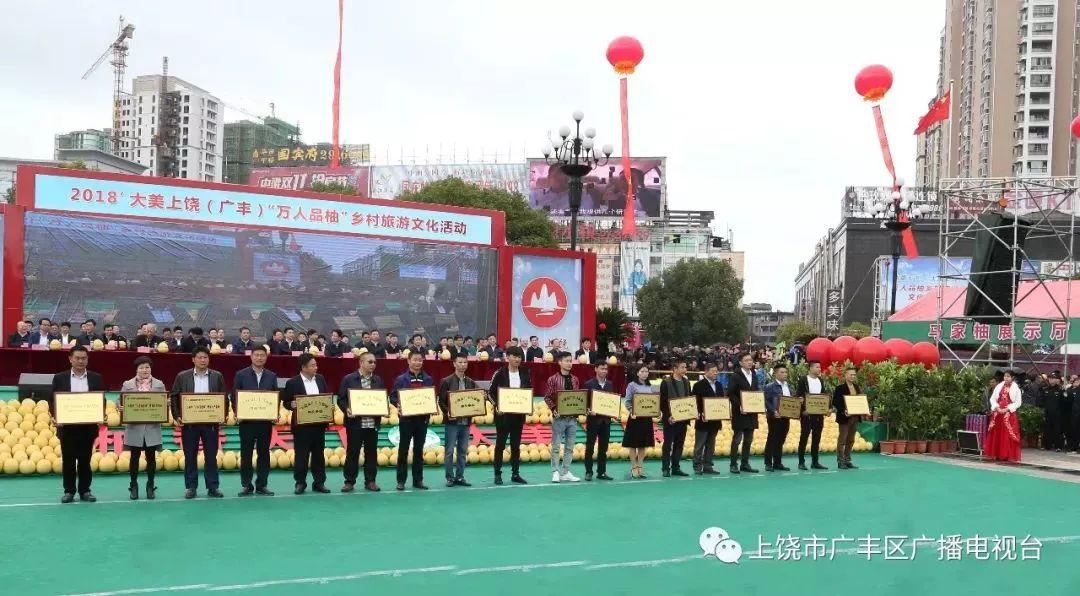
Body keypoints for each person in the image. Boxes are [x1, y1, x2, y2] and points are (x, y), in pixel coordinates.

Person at [171, 346, 227, 498]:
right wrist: (177, 416)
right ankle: (191, 487)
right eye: (200, 357)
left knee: (211, 456)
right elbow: (174, 396)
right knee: (190, 456)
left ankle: (213, 487)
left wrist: (223, 415)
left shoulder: (217, 376)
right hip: (189, 424)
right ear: (193, 359)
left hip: (210, 424)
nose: (203, 360)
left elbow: (223, 397)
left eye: (205, 357)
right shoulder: (183, 376)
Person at [50, 346, 104, 503]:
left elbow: (101, 400)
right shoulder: (60, 378)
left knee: (85, 461)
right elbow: (52, 400)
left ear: (87, 359)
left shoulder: (96, 378)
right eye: (78, 358)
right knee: (68, 460)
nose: (81, 361)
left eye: (84, 358)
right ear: (70, 359)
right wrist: (55, 416)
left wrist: (101, 413)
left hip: (88, 427)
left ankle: (85, 490)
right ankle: (69, 491)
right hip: (67, 428)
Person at [232, 345, 278, 496]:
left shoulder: (271, 376)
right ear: (251, 357)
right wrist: (238, 413)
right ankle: (246, 485)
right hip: (247, 423)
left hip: (265, 423)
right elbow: (234, 397)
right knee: (246, 454)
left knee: (264, 454)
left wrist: (274, 413)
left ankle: (262, 485)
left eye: (262, 355)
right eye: (256, 355)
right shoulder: (241, 375)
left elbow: (274, 398)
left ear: (266, 357)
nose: (259, 358)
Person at [282, 353, 331, 494]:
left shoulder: (320, 379)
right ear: (303, 367)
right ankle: (300, 482)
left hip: (319, 424)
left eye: (316, 364)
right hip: (302, 426)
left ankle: (319, 482)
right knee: (301, 456)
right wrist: (291, 404)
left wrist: (328, 408)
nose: (316, 367)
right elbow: (285, 402)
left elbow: (325, 397)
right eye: (313, 365)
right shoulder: (293, 382)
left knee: (318, 455)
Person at [119, 356, 166, 499]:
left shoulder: (159, 384)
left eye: (147, 367)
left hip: (152, 428)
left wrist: (165, 404)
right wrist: (120, 406)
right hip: (134, 428)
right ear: (136, 369)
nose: (144, 370)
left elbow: (163, 400)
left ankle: (150, 485)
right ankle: (133, 485)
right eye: (141, 367)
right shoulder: (128, 384)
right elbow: (119, 400)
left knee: (151, 458)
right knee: (134, 458)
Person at [338, 352, 384, 492]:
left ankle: (370, 481)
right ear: (361, 363)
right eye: (370, 362)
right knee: (353, 453)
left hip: (372, 424)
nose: (373, 365)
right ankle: (349, 481)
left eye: (374, 362)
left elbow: (381, 398)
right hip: (355, 424)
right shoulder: (349, 379)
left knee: (371, 454)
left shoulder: (377, 380)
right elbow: (341, 398)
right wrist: (347, 409)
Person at [390, 351, 434, 490]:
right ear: (408, 361)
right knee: (403, 450)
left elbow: (431, 398)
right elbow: (392, 396)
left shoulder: (428, 379)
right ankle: (401, 481)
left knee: (419, 450)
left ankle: (418, 480)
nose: (417, 363)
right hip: (406, 420)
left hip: (422, 420)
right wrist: (400, 404)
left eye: (420, 360)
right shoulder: (401, 379)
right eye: (415, 360)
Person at [489, 346, 530, 485]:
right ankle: (497, 474)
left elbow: (528, 391)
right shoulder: (500, 373)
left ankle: (515, 474)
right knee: (500, 445)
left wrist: (528, 405)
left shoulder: (524, 372)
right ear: (508, 357)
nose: (517, 359)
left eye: (519, 357)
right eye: (514, 356)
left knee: (516, 446)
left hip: (518, 416)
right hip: (503, 416)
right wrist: (497, 406)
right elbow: (490, 393)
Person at [438, 354, 476, 487]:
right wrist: (448, 412)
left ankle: (460, 476)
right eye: (460, 362)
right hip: (452, 423)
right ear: (454, 364)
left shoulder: (471, 382)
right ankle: (449, 477)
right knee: (449, 451)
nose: (463, 365)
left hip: (465, 423)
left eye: (465, 362)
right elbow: (441, 401)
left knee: (462, 450)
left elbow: (475, 401)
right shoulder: (446, 381)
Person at [544, 351, 581, 483]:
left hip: (572, 419)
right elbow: (547, 397)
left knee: (570, 447)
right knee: (556, 446)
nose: (569, 363)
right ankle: (555, 471)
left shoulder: (575, 379)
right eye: (566, 360)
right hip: (559, 419)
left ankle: (565, 472)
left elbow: (579, 398)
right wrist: (554, 409)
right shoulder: (553, 379)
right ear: (560, 362)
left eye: (570, 361)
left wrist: (580, 409)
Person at [727, 351, 760, 474]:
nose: (749, 362)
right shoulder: (735, 376)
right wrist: (739, 405)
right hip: (740, 413)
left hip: (751, 413)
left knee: (749, 439)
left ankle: (745, 464)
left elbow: (756, 392)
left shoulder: (754, 374)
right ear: (740, 363)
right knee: (737, 439)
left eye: (750, 360)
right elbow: (730, 393)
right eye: (746, 360)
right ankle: (733, 464)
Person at [582, 361, 615, 481]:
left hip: (606, 421)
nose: (604, 371)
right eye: (602, 369)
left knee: (603, 448)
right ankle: (588, 471)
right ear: (596, 369)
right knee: (590, 447)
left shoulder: (610, 384)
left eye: (606, 369)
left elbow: (612, 402)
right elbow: (584, 403)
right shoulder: (589, 384)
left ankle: (601, 472)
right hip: (593, 421)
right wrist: (588, 410)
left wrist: (614, 413)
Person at [659, 359, 692, 477]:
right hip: (670, 420)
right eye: (682, 367)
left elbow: (689, 400)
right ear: (675, 369)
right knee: (668, 444)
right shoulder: (666, 382)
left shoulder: (686, 382)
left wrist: (691, 413)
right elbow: (662, 402)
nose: (685, 369)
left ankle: (676, 467)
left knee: (679, 444)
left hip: (683, 419)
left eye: (685, 367)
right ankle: (665, 468)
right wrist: (668, 417)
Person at [623, 364, 657, 479]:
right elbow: (627, 402)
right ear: (637, 373)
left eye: (646, 371)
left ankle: (640, 466)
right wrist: (632, 411)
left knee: (643, 444)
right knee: (633, 444)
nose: (645, 373)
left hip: (646, 419)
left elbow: (654, 403)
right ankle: (633, 467)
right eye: (642, 371)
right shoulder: (631, 385)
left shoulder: (650, 386)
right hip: (635, 419)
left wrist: (656, 412)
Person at [795, 361, 828, 470]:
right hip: (807, 414)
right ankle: (801, 462)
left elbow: (824, 396)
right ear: (811, 368)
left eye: (820, 367)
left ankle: (815, 462)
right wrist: (802, 410)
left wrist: (827, 408)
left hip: (818, 415)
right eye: (817, 367)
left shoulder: (821, 380)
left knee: (816, 438)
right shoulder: (803, 380)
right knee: (804, 437)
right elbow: (798, 396)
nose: (819, 369)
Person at [692, 362, 723, 475]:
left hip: (715, 420)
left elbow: (722, 402)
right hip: (703, 421)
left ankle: (708, 466)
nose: (716, 373)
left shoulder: (719, 385)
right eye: (713, 371)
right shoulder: (698, 385)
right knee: (699, 445)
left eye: (716, 371)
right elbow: (694, 403)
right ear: (706, 371)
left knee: (711, 445)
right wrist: (700, 413)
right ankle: (697, 466)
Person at [985, 371, 1022, 463]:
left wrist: (1007, 409)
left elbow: (1018, 402)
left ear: (1012, 378)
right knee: (997, 433)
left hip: (1009, 414)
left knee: (1007, 434)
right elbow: (992, 399)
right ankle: (997, 453)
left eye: (1008, 376)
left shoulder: (1016, 388)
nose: (1006, 378)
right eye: (1005, 376)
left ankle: (1007, 455)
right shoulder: (999, 386)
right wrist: (996, 407)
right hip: (998, 413)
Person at [763, 363, 792, 472]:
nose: (785, 374)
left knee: (781, 439)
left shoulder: (788, 386)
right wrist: (773, 411)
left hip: (786, 416)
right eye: (782, 372)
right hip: (774, 417)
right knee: (772, 439)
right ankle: (768, 463)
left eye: (785, 372)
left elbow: (791, 400)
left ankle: (778, 462)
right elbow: (765, 400)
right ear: (775, 374)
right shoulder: (770, 386)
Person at [832, 367, 863, 470]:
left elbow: (860, 401)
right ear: (846, 376)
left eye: (854, 375)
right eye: (851, 374)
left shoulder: (857, 387)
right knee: (842, 439)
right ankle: (840, 461)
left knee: (851, 439)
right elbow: (835, 402)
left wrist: (864, 409)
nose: (853, 376)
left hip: (855, 417)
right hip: (844, 417)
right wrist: (843, 410)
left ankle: (847, 460)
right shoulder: (840, 388)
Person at [1040, 371, 1067, 451]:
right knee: (1047, 429)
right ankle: (1046, 445)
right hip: (1047, 412)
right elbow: (1042, 401)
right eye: (1050, 378)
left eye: (1054, 378)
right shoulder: (1045, 389)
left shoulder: (1060, 390)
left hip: (1057, 413)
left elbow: (1064, 403)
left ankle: (1058, 446)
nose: (1052, 380)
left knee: (1057, 429)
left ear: (1057, 380)